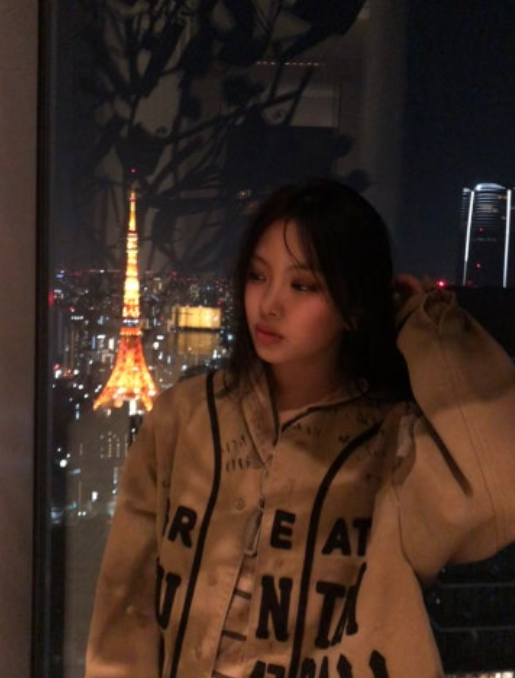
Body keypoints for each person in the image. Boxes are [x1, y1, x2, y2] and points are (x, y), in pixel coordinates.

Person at [84, 178, 515, 678]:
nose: (269, 304)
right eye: (257, 276)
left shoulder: (392, 449)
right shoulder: (183, 418)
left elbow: (498, 486)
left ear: (354, 304)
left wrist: (424, 324)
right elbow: (125, 606)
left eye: (302, 285)